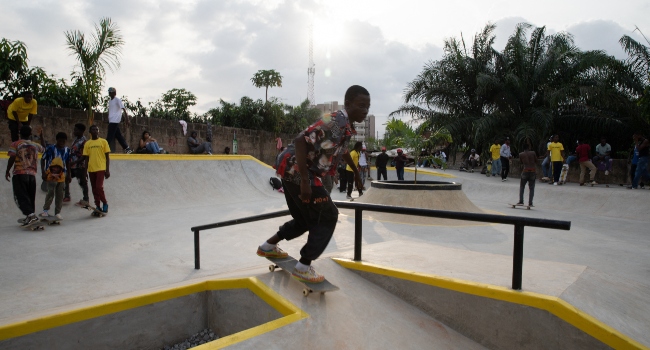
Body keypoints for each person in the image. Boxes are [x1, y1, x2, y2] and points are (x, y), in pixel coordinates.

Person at [256, 84, 369, 283]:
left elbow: (342, 151)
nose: (365, 111)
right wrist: (306, 183)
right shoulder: (335, 121)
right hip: (298, 171)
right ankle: (304, 266)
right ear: (348, 103)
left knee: (305, 219)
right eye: (361, 106)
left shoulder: (346, 128)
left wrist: (358, 176)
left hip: (291, 169)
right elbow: (301, 140)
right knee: (328, 215)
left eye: (368, 107)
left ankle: (268, 246)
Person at [5, 125, 44, 225]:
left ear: (19, 133)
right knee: (30, 196)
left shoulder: (15, 144)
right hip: (32, 175)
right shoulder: (35, 145)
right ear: (30, 134)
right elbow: (44, 149)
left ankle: (30, 215)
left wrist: (7, 170)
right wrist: (41, 136)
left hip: (20, 173)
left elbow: (12, 158)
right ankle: (30, 216)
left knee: (20, 196)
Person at [40, 132, 71, 218]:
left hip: (62, 176)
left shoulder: (67, 150)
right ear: (57, 140)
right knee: (50, 193)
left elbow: (68, 162)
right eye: (60, 141)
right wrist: (43, 172)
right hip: (51, 175)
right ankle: (45, 211)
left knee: (60, 195)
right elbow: (43, 159)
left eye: (63, 141)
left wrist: (69, 174)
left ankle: (57, 212)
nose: (62, 143)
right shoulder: (50, 148)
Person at [83, 125, 111, 213]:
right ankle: (98, 206)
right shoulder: (87, 143)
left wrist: (107, 170)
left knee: (99, 187)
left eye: (96, 129)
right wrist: (85, 172)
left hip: (101, 168)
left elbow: (107, 157)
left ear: (98, 131)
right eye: (93, 130)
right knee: (94, 188)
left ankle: (105, 203)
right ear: (90, 132)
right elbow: (86, 158)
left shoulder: (103, 142)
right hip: (91, 169)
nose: (95, 131)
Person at [65, 123, 90, 206]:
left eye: (76, 130)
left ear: (81, 131)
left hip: (79, 166)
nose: (74, 131)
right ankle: (66, 195)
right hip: (72, 165)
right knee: (65, 178)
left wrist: (75, 162)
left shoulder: (84, 142)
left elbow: (85, 156)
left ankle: (86, 199)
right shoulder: (76, 139)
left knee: (82, 182)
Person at [106, 87, 133, 154]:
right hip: (111, 120)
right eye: (109, 92)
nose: (110, 93)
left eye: (111, 92)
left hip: (115, 120)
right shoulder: (110, 101)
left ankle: (104, 148)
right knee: (118, 136)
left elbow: (123, 109)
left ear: (114, 93)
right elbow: (111, 110)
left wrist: (127, 119)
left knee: (110, 136)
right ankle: (127, 148)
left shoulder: (117, 100)